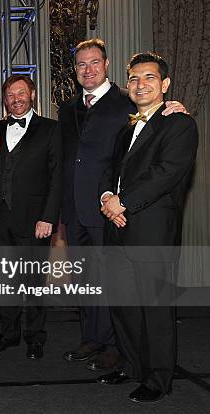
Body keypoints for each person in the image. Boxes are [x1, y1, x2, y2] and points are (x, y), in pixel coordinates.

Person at [59, 39, 186, 371]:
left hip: (115, 213)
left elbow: (155, 126)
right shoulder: (67, 107)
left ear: (106, 64)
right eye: (81, 65)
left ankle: (116, 346)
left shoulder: (126, 101)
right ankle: (93, 338)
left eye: (94, 63)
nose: (87, 69)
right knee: (85, 279)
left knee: (116, 285)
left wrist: (175, 107)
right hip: (77, 209)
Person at [96, 52, 198, 403]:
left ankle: (158, 378)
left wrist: (122, 203)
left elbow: (166, 174)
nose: (140, 84)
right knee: (124, 306)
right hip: (118, 227)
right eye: (134, 78)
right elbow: (111, 173)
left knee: (155, 310)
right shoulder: (127, 129)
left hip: (151, 230)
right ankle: (132, 365)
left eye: (149, 78)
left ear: (165, 84)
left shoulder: (180, 124)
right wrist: (108, 196)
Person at [0, 75, 62, 359]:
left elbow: (57, 177)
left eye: (21, 93)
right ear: (5, 100)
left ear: (32, 94)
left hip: (35, 219)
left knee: (33, 280)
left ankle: (35, 336)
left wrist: (48, 217)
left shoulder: (50, 129)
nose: (16, 99)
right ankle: (8, 334)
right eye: (10, 95)